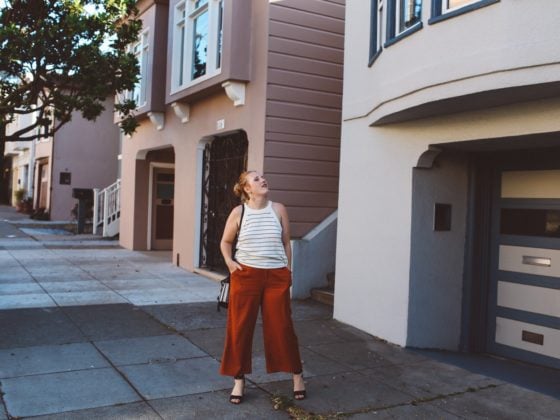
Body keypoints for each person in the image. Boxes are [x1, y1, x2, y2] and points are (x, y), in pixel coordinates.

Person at [219, 170, 306, 404]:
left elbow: (286, 242)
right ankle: (239, 379)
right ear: (247, 188)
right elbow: (226, 242)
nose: (262, 180)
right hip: (246, 276)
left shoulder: (279, 209)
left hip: (276, 276)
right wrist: (230, 263)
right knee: (240, 328)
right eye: (256, 179)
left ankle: (297, 375)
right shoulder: (239, 212)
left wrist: (288, 270)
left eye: (262, 177)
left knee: (282, 327)